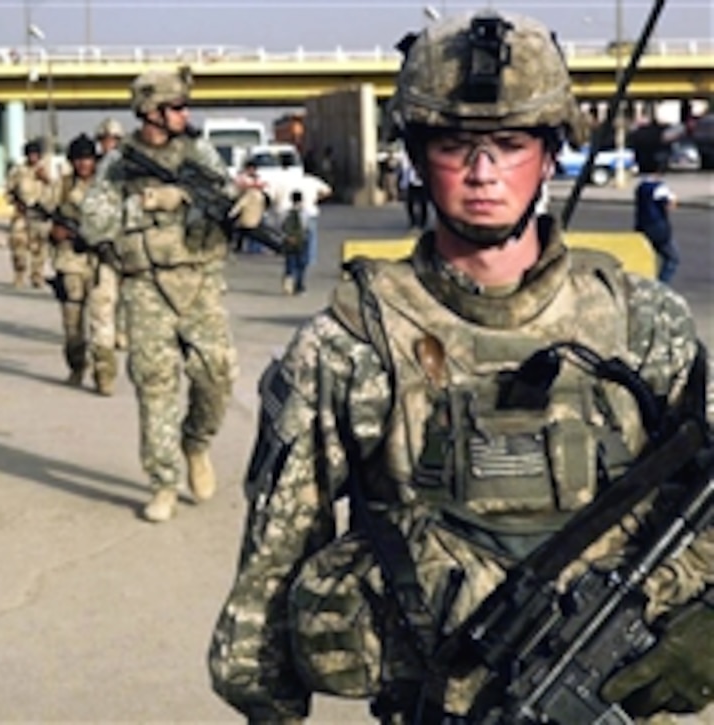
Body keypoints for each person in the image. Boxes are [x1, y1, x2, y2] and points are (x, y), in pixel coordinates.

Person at [209, 10, 713, 722]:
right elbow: (268, 584)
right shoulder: (349, 346)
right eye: (453, 146)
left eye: (509, 144)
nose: (483, 173)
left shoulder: (642, 323)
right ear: (416, 154)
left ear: (548, 150)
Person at [81, 66, 262, 523]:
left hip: (199, 280)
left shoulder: (198, 151)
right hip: (146, 287)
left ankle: (196, 445)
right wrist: (142, 203)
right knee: (154, 384)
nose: (185, 113)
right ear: (151, 112)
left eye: (184, 106)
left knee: (217, 375)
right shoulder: (119, 163)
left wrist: (247, 206)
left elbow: (222, 195)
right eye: (176, 106)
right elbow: (93, 223)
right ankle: (163, 482)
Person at [47, 133, 118, 395]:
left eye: (88, 159)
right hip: (71, 262)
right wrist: (55, 233)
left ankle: (105, 376)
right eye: (78, 159)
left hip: (102, 263)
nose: (84, 164)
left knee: (102, 323)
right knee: (72, 326)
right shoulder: (62, 187)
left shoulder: (109, 187)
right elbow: (44, 215)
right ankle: (77, 366)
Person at [95, 117, 128, 351]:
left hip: (127, 240)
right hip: (101, 241)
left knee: (127, 294)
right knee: (103, 296)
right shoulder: (92, 167)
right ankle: (103, 346)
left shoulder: (129, 168)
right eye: (106, 140)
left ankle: (122, 331)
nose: (110, 144)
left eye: (115, 139)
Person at [6, 139, 54, 288]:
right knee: (18, 245)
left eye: (35, 154)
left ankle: (37, 276)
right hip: (22, 213)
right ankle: (19, 274)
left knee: (39, 249)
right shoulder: (18, 171)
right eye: (30, 154)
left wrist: (46, 179)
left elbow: (56, 190)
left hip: (40, 214)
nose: (33, 157)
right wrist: (15, 202)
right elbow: (9, 190)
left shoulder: (46, 170)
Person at [634, 153, 680, 284]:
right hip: (658, 228)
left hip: (642, 226)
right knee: (672, 258)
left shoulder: (641, 187)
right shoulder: (660, 187)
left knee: (649, 257)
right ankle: (661, 285)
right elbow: (669, 205)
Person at [280, 191, 308, 295]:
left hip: (289, 242)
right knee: (301, 264)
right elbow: (306, 227)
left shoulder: (286, 212)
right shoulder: (305, 213)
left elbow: (282, 226)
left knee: (290, 264)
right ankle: (299, 285)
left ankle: (288, 285)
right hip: (301, 241)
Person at [399, 150, 429, 229]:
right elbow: (405, 174)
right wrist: (403, 185)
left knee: (423, 204)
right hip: (411, 184)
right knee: (410, 204)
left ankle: (422, 222)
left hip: (422, 184)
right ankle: (413, 221)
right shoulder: (408, 163)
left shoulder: (423, 160)